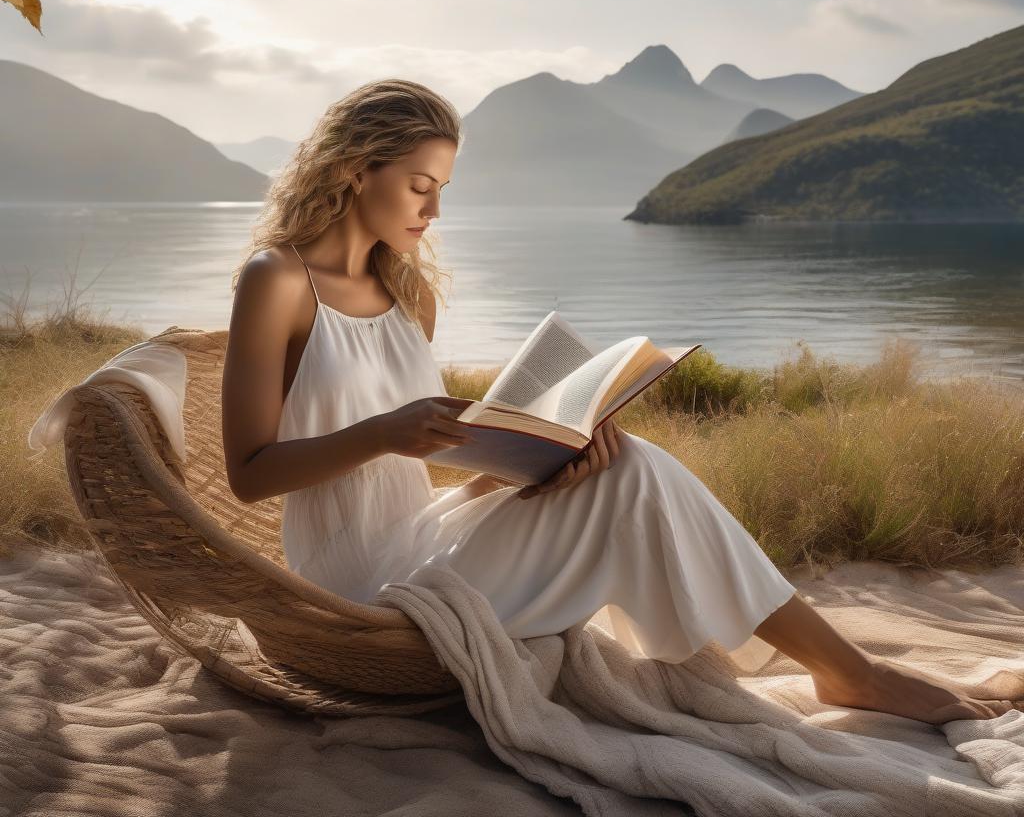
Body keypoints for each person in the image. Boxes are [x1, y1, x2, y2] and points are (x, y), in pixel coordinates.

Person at [222, 79, 1019, 725]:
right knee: (638, 476)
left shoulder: (405, 295)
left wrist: (515, 467)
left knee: (623, 463)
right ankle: (851, 672)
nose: (434, 211)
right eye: (420, 187)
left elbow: (408, 467)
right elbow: (251, 474)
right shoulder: (278, 280)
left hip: (420, 536)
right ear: (354, 168)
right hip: (350, 580)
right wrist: (385, 431)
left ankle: (846, 670)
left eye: (443, 190)